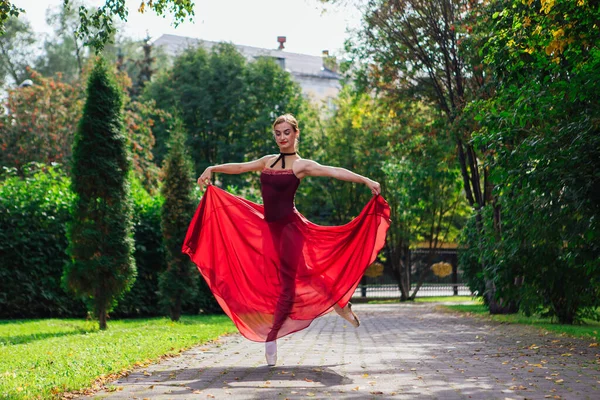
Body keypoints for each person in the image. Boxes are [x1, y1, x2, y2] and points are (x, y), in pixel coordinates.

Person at [183, 114, 390, 366]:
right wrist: (212, 168)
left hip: (290, 230)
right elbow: (240, 167)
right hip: (267, 229)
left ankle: (272, 336)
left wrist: (366, 180)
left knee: (287, 284)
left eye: (286, 133)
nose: (282, 137)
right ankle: (339, 303)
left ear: (295, 134)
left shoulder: (300, 166)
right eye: (278, 133)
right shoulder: (268, 161)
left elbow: (333, 172)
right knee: (308, 273)